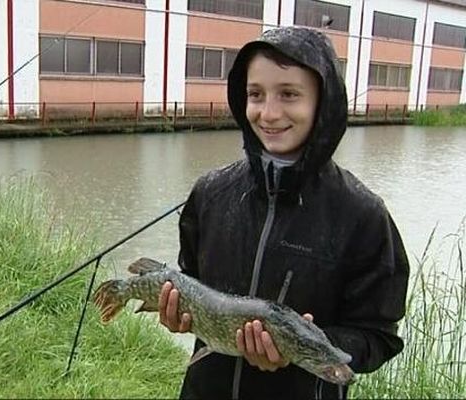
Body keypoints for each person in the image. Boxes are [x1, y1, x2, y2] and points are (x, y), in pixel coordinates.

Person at [158, 27, 409, 399]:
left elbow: (378, 337)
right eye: (255, 95)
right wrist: (177, 313)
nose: (269, 113)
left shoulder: (363, 215)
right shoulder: (210, 192)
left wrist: (301, 345)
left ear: (323, 103)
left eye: (289, 94)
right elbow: (191, 281)